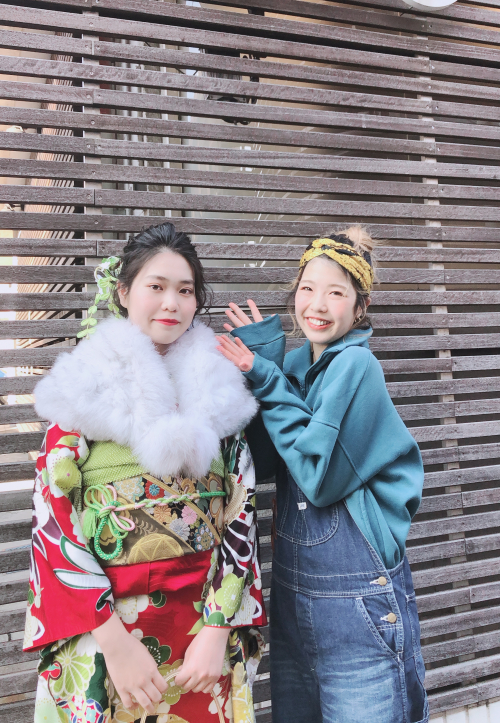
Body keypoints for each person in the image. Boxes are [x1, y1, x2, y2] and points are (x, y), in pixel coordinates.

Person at [24, 221, 266, 723]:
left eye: (185, 291)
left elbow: (240, 514)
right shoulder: (82, 388)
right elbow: (53, 521)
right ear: (123, 292)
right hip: (104, 632)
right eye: (156, 287)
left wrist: (217, 630)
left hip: (202, 630)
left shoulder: (218, 396)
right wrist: (113, 643)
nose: (171, 304)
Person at [216, 226, 428, 723]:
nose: (317, 304)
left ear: (360, 307)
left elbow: (317, 476)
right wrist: (268, 359)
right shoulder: (297, 364)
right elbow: (265, 462)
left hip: (359, 600)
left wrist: (266, 376)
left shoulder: (357, 366)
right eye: (308, 288)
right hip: (295, 597)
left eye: (336, 293)